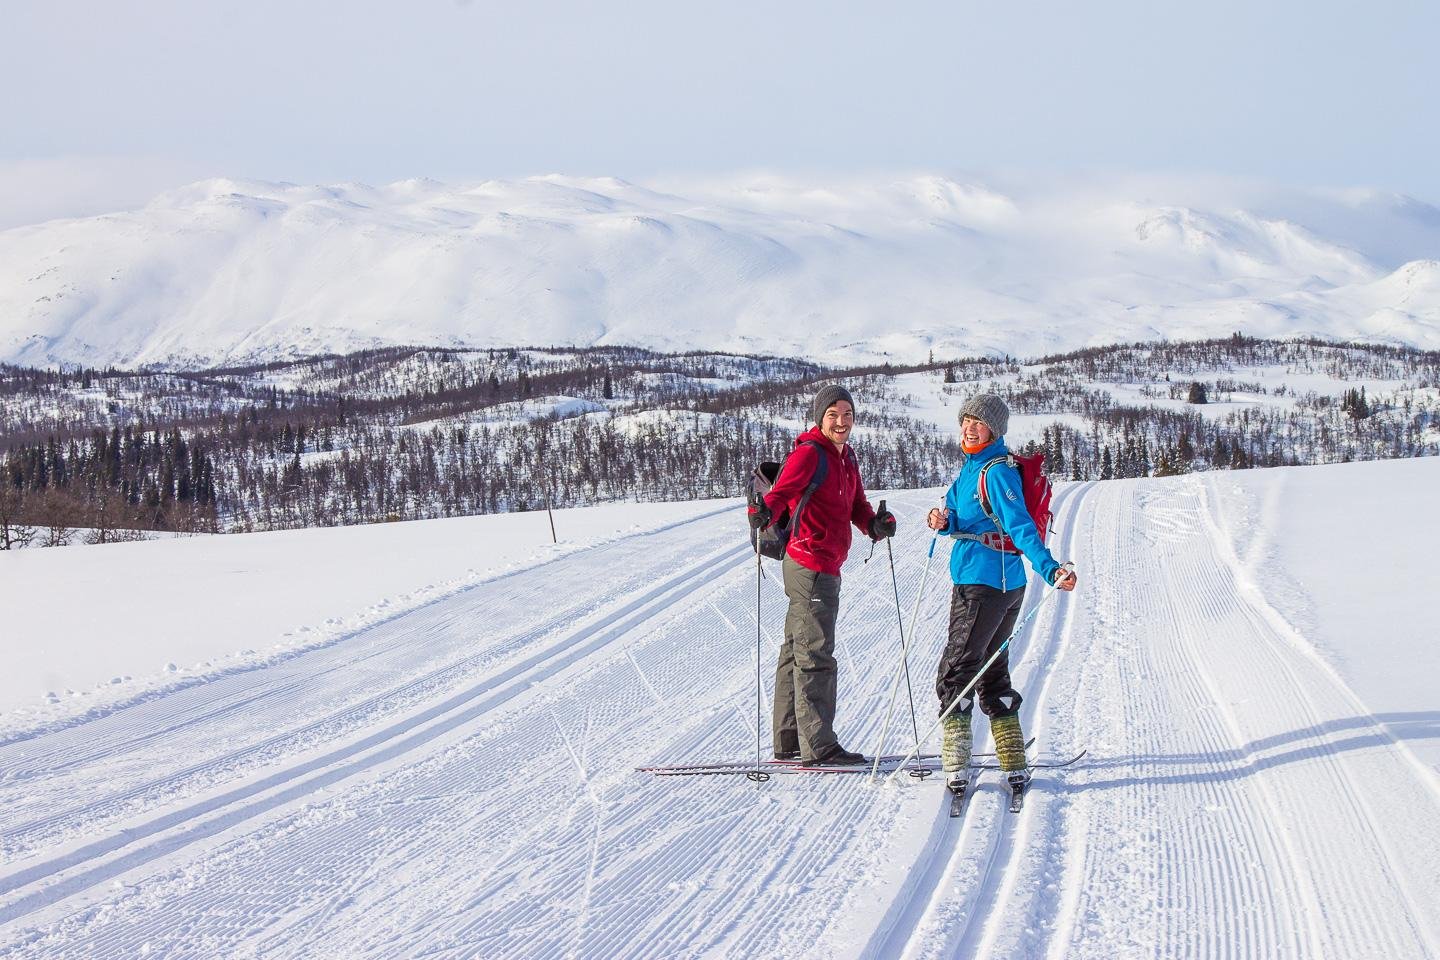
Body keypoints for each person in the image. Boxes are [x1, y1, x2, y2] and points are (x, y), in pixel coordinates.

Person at [926, 393, 1077, 794]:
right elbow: (962, 517)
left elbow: (1020, 525)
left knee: (956, 669)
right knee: (991, 669)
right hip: (985, 581)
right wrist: (943, 521)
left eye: (978, 422)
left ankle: (956, 765)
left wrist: (1050, 568)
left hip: (988, 584)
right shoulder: (969, 470)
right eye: (966, 420)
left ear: (994, 429)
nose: (969, 427)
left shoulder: (996, 471)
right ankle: (1012, 760)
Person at [749, 385, 896, 766]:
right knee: (816, 655)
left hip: (815, 563)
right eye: (833, 414)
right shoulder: (809, 454)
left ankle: (790, 740)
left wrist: (874, 525)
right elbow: (779, 495)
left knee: (795, 650)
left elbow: (857, 504)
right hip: (811, 564)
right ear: (820, 418)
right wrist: (761, 513)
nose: (841, 421)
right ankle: (819, 746)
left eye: (846, 413)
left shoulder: (846, 457)